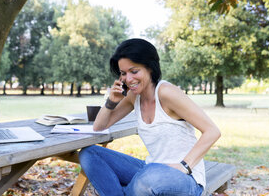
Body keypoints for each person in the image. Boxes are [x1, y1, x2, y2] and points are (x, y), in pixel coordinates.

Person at [79, 38, 221, 196]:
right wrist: (111, 101)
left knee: (149, 178)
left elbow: (212, 131)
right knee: (89, 154)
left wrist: (184, 166)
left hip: (185, 179)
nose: (128, 79)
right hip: (150, 170)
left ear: (150, 68)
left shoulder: (167, 93)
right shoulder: (134, 97)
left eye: (134, 71)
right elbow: (99, 126)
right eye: (123, 73)